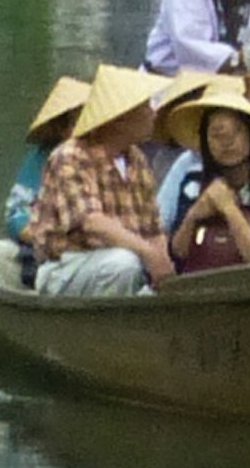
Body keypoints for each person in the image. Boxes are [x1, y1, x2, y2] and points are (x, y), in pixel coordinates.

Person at [23, 63, 175, 297]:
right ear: (121, 118)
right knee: (122, 264)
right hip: (66, 267)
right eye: (145, 107)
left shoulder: (137, 160)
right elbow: (92, 222)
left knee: (140, 272)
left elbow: (153, 229)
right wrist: (147, 253)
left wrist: (163, 268)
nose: (153, 113)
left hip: (122, 265)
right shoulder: (71, 156)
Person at [153, 72, 250, 272]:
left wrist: (228, 208)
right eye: (217, 135)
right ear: (205, 140)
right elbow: (177, 256)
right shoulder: (193, 180)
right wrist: (194, 214)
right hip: (196, 283)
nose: (227, 142)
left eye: (236, 132)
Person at [3, 72, 90, 246]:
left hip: (92, 249)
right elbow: (16, 212)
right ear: (62, 129)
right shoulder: (42, 157)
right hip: (45, 243)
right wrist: (44, 239)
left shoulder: (115, 156)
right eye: (77, 123)